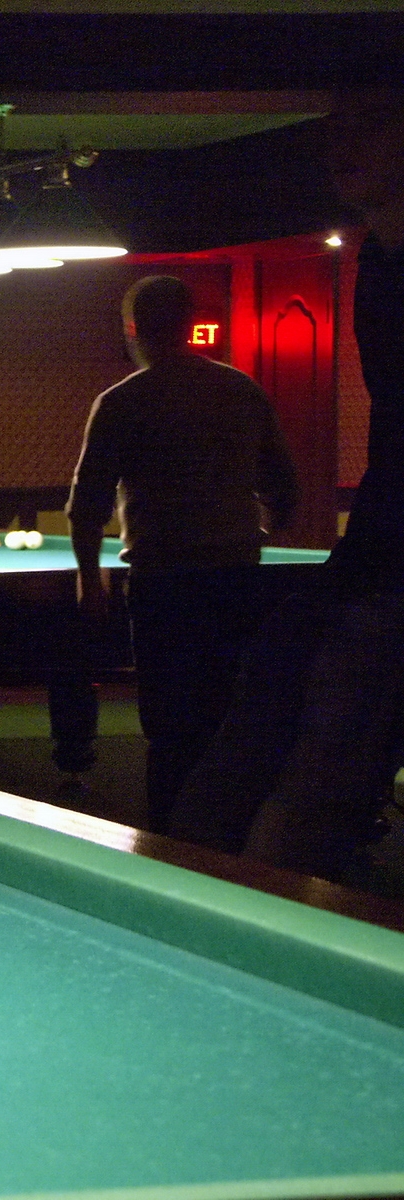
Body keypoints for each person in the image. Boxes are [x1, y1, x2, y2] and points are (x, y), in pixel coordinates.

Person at [167, 91, 404, 882]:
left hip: (387, 566)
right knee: (258, 731)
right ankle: (192, 897)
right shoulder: (378, 262)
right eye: (337, 126)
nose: (342, 143)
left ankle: (252, 918)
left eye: (369, 123)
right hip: (377, 546)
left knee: (323, 765)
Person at [66, 275, 299, 833]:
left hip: (163, 583)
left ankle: (171, 837)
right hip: (235, 578)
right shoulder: (241, 390)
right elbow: (284, 488)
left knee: (169, 725)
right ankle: (231, 838)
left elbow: (88, 506)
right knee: (229, 714)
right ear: (190, 323)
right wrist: (252, 535)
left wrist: (89, 581)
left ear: (132, 330)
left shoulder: (122, 402)